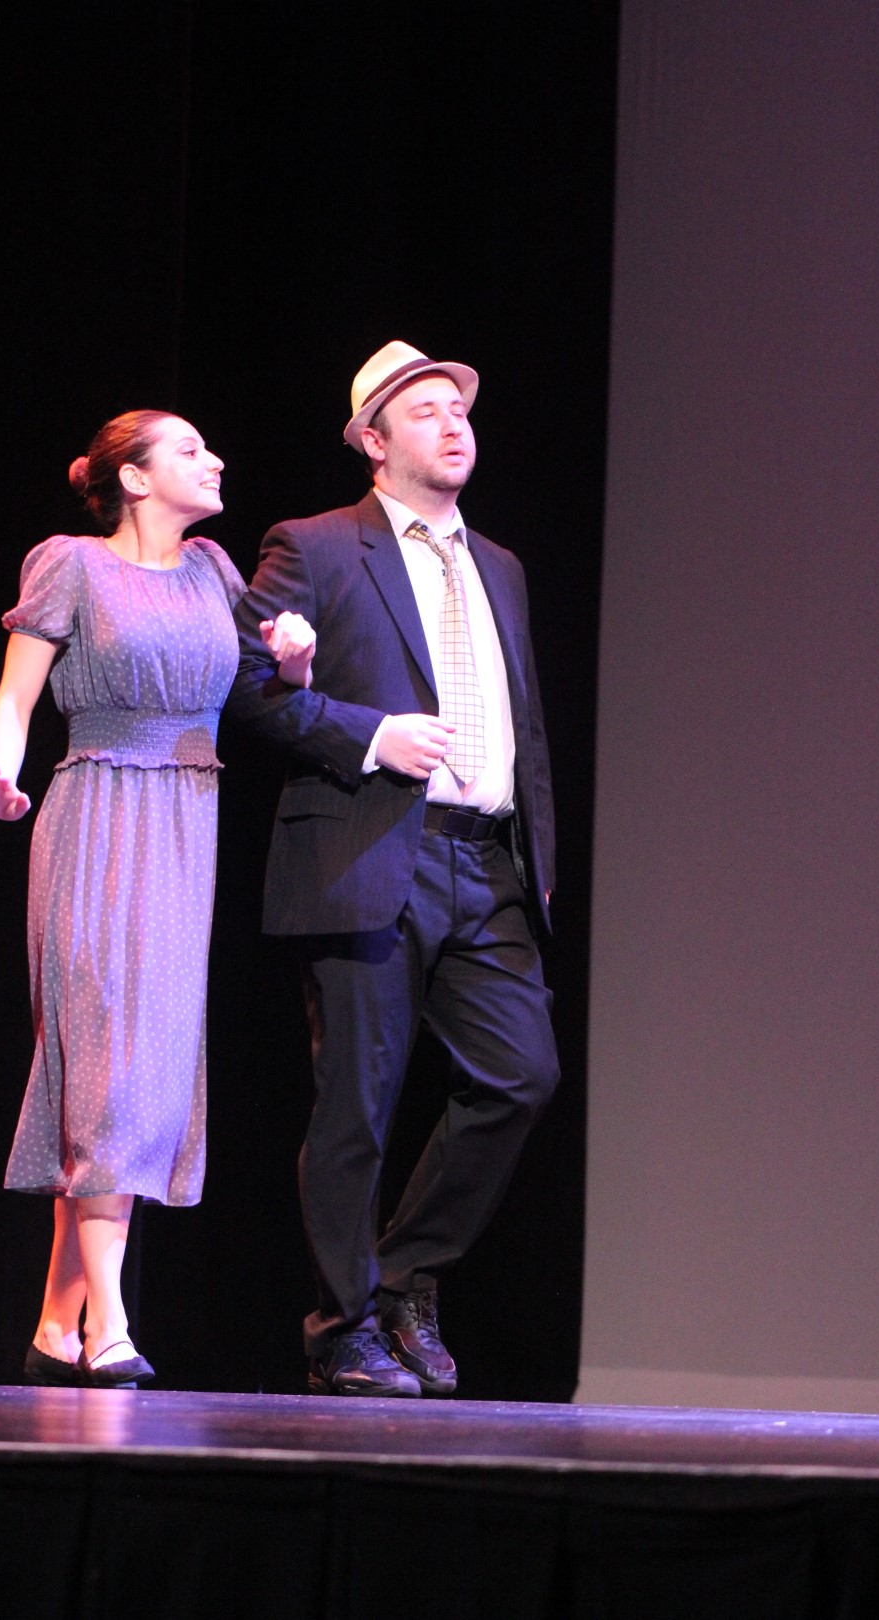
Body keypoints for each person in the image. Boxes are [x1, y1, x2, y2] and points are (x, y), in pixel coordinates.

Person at [225, 341, 561, 1397]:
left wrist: (536, 851)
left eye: (460, 408)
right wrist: (372, 736)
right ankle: (342, 1329)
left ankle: (405, 1275)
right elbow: (244, 683)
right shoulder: (318, 547)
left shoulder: (499, 564)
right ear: (373, 441)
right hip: (372, 850)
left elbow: (524, 723)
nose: (453, 423)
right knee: (358, 1105)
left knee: (521, 1075)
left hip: (485, 860)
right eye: (425, 411)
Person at [0, 409, 314, 1388]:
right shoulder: (71, 564)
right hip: (97, 813)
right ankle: (110, 1325)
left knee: (137, 1072)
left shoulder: (213, 572)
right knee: (107, 1061)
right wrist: (0, 777)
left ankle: (53, 1326)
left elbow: (268, 685)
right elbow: (14, 699)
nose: (216, 460)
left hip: (184, 825)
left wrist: (292, 656)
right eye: (191, 450)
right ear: (135, 478)